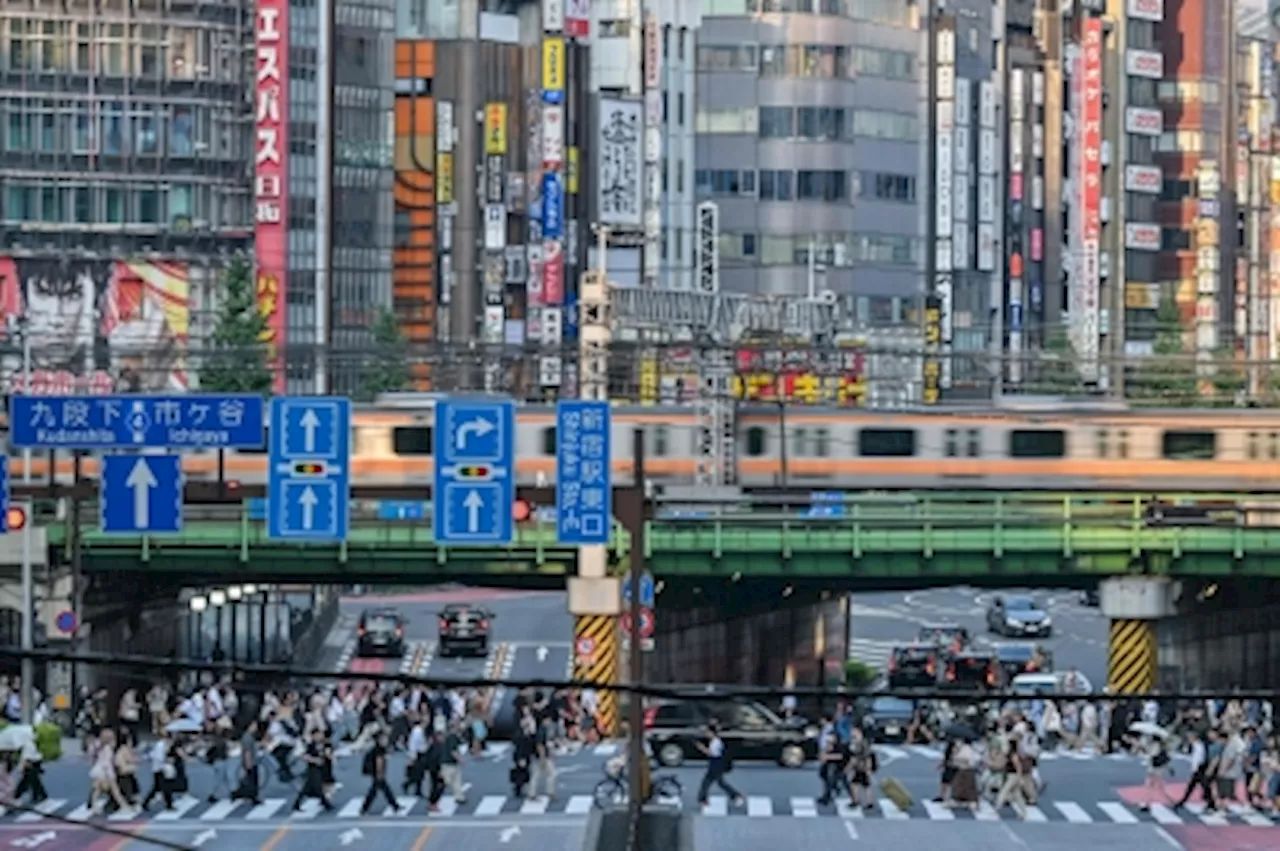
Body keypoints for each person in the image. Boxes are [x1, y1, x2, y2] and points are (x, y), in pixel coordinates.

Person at [695, 720, 743, 808]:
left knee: (719, 783)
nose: (706, 734)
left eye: (708, 733)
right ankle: (702, 799)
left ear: (712, 733)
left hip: (716, 763)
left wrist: (701, 748)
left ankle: (736, 796)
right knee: (708, 782)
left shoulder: (715, 742)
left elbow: (710, 753)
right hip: (714, 762)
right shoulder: (714, 740)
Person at [1173, 728, 1219, 813]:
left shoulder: (1201, 745)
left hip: (1201, 768)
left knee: (1202, 786)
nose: (1189, 739)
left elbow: (1200, 758)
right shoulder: (1194, 746)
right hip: (1198, 768)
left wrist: (1198, 768)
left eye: (1190, 737)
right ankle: (1210, 804)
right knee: (1197, 786)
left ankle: (1211, 804)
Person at [291, 728, 335, 813]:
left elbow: (330, 754)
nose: (319, 737)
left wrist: (328, 755)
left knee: (307, 788)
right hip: (313, 769)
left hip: (324, 768)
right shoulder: (311, 745)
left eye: (320, 734)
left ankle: (296, 804)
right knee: (317, 786)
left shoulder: (326, 744)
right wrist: (314, 760)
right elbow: (305, 756)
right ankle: (325, 803)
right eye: (316, 735)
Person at [360, 732, 398, 815]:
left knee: (383, 789)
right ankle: (364, 808)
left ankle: (395, 805)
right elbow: (379, 762)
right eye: (384, 739)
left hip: (375, 771)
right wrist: (380, 773)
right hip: (377, 772)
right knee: (375, 790)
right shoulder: (379, 749)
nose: (386, 741)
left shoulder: (377, 748)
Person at [12, 734, 45, 805]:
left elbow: (27, 758)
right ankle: (41, 795)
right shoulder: (29, 743)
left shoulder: (27, 745)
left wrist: (22, 768)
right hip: (35, 762)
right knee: (34, 781)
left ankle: (16, 796)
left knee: (25, 782)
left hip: (31, 764)